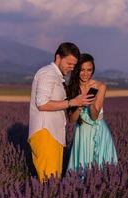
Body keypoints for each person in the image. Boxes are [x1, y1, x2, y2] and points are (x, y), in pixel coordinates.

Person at [28, 42, 95, 182]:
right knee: (49, 183)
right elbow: (42, 103)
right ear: (58, 57)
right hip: (45, 132)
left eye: (73, 65)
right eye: (69, 63)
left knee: (53, 182)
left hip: (53, 134)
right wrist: (72, 102)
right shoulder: (47, 74)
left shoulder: (56, 76)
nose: (71, 68)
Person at [67, 53, 118, 175]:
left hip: (98, 131)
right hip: (82, 132)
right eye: (82, 70)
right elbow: (72, 120)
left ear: (93, 70)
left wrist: (90, 101)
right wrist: (78, 105)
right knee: (80, 171)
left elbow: (95, 116)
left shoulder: (100, 86)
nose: (85, 73)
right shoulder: (72, 88)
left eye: (89, 70)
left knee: (102, 169)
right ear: (77, 70)